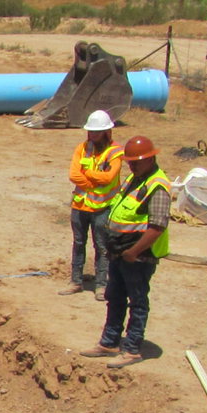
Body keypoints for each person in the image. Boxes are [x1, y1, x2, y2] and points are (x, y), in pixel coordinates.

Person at [83, 134, 170, 369]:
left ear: (150, 159)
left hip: (139, 255)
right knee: (115, 296)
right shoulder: (134, 179)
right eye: (130, 162)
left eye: (136, 162)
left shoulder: (157, 186)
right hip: (120, 251)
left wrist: (134, 251)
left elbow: (158, 226)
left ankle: (132, 348)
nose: (132, 165)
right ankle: (109, 342)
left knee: (137, 300)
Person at [61, 110, 123, 300]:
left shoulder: (114, 152)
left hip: (103, 208)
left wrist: (87, 174)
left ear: (106, 132)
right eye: (90, 132)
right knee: (78, 244)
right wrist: (92, 182)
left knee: (102, 246)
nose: (92, 135)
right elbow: (73, 174)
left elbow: (109, 177)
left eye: (96, 132)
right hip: (80, 207)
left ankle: (101, 285)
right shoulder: (82, 148)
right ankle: (76, 281)